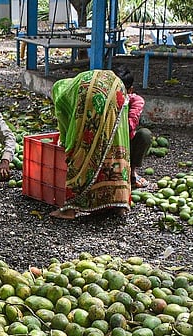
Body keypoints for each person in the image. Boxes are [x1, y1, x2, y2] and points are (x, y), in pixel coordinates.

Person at [49, 70, 132, 220]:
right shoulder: (72, 85)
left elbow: (67, 129)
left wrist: (66, 145)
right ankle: (118, 204)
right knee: (115, 141)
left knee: (83, 149)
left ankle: (70, 209)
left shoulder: (60, 95)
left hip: (92, 92)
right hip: (117, 87)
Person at [113, 64, 153, 189]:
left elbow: (131, 124)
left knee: (145, 135)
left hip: (125, 144)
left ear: (129, 90)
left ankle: (131, 171)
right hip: (105, 143)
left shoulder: (136, 100)